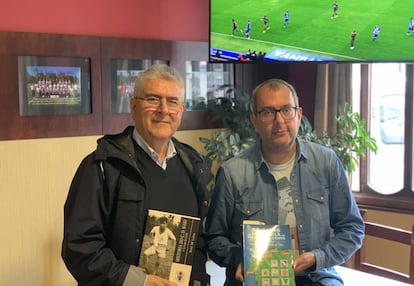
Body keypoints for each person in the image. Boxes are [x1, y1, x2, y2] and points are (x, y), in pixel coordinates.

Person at [61, 64, 213, 286]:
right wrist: (137, 281)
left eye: (172, 101)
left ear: (181, 110)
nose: (163, 109)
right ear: (133, 106)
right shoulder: (101, 166)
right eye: (152, 99)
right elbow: (79, 248)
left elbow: (198, 243)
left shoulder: (196, 166)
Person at [204, 79, 364, 286]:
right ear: (255, 120)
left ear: (298, 115)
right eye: (268, 112)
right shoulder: (232, 172)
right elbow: (213, 238)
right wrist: (239, 258)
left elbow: (352, 229)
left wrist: (318, 257)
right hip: (255, 279)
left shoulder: (326, 163)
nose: (279, 120)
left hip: (316, 276)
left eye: (286, 110)